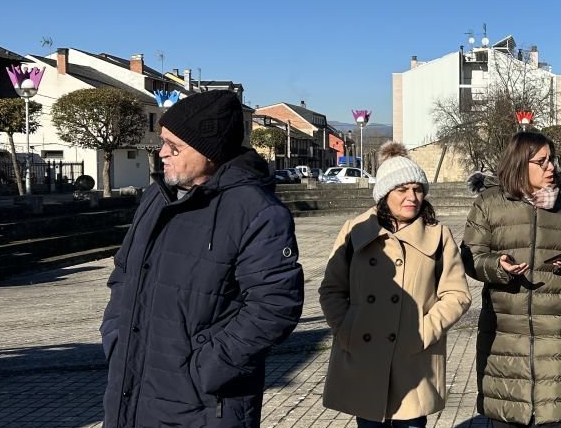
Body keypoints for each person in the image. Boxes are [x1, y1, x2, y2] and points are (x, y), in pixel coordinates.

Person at [101, 90, 304, 428]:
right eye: (163, 142)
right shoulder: (156, 197)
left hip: (206, 406)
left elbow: (275, 305)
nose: (162, 153)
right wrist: (115, 335)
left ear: (210, 153)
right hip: (131, 389)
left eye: (175, 146)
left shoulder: (257, 211)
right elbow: (124, 273)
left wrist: (205, 367)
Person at [319, 141, 471, 428]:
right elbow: (331, 289)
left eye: (418, 189)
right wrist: (346, 328)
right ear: (384, 194)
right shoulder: (355, 231)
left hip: (412, 358)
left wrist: (424, 331)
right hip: (364, 355)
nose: (412, 196)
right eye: (402, 189)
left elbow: (457, 295)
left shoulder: (439, 236)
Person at [461, 131, 561, 428]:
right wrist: (497, 266)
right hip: (504, 332)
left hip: (557, 332)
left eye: (552, 160)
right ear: (520, 164)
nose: (552, 167)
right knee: (507, 415)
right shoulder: (489, 203)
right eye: (542, 161)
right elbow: (471, 256)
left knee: (552, 417)